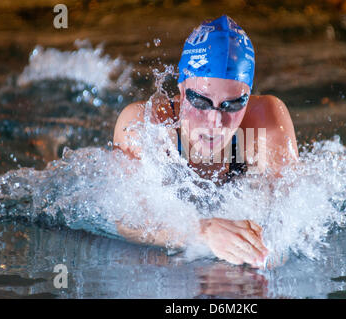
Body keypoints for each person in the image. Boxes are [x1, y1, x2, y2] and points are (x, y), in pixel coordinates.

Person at [113, 15, 298, 268]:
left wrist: (264, 256)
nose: (215, 121)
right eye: (200, 101)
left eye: (233, 105)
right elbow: (127, 221)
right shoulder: (146, 126)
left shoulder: (265, 121)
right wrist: (201, 232)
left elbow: (292, 217)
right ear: (181, 89)